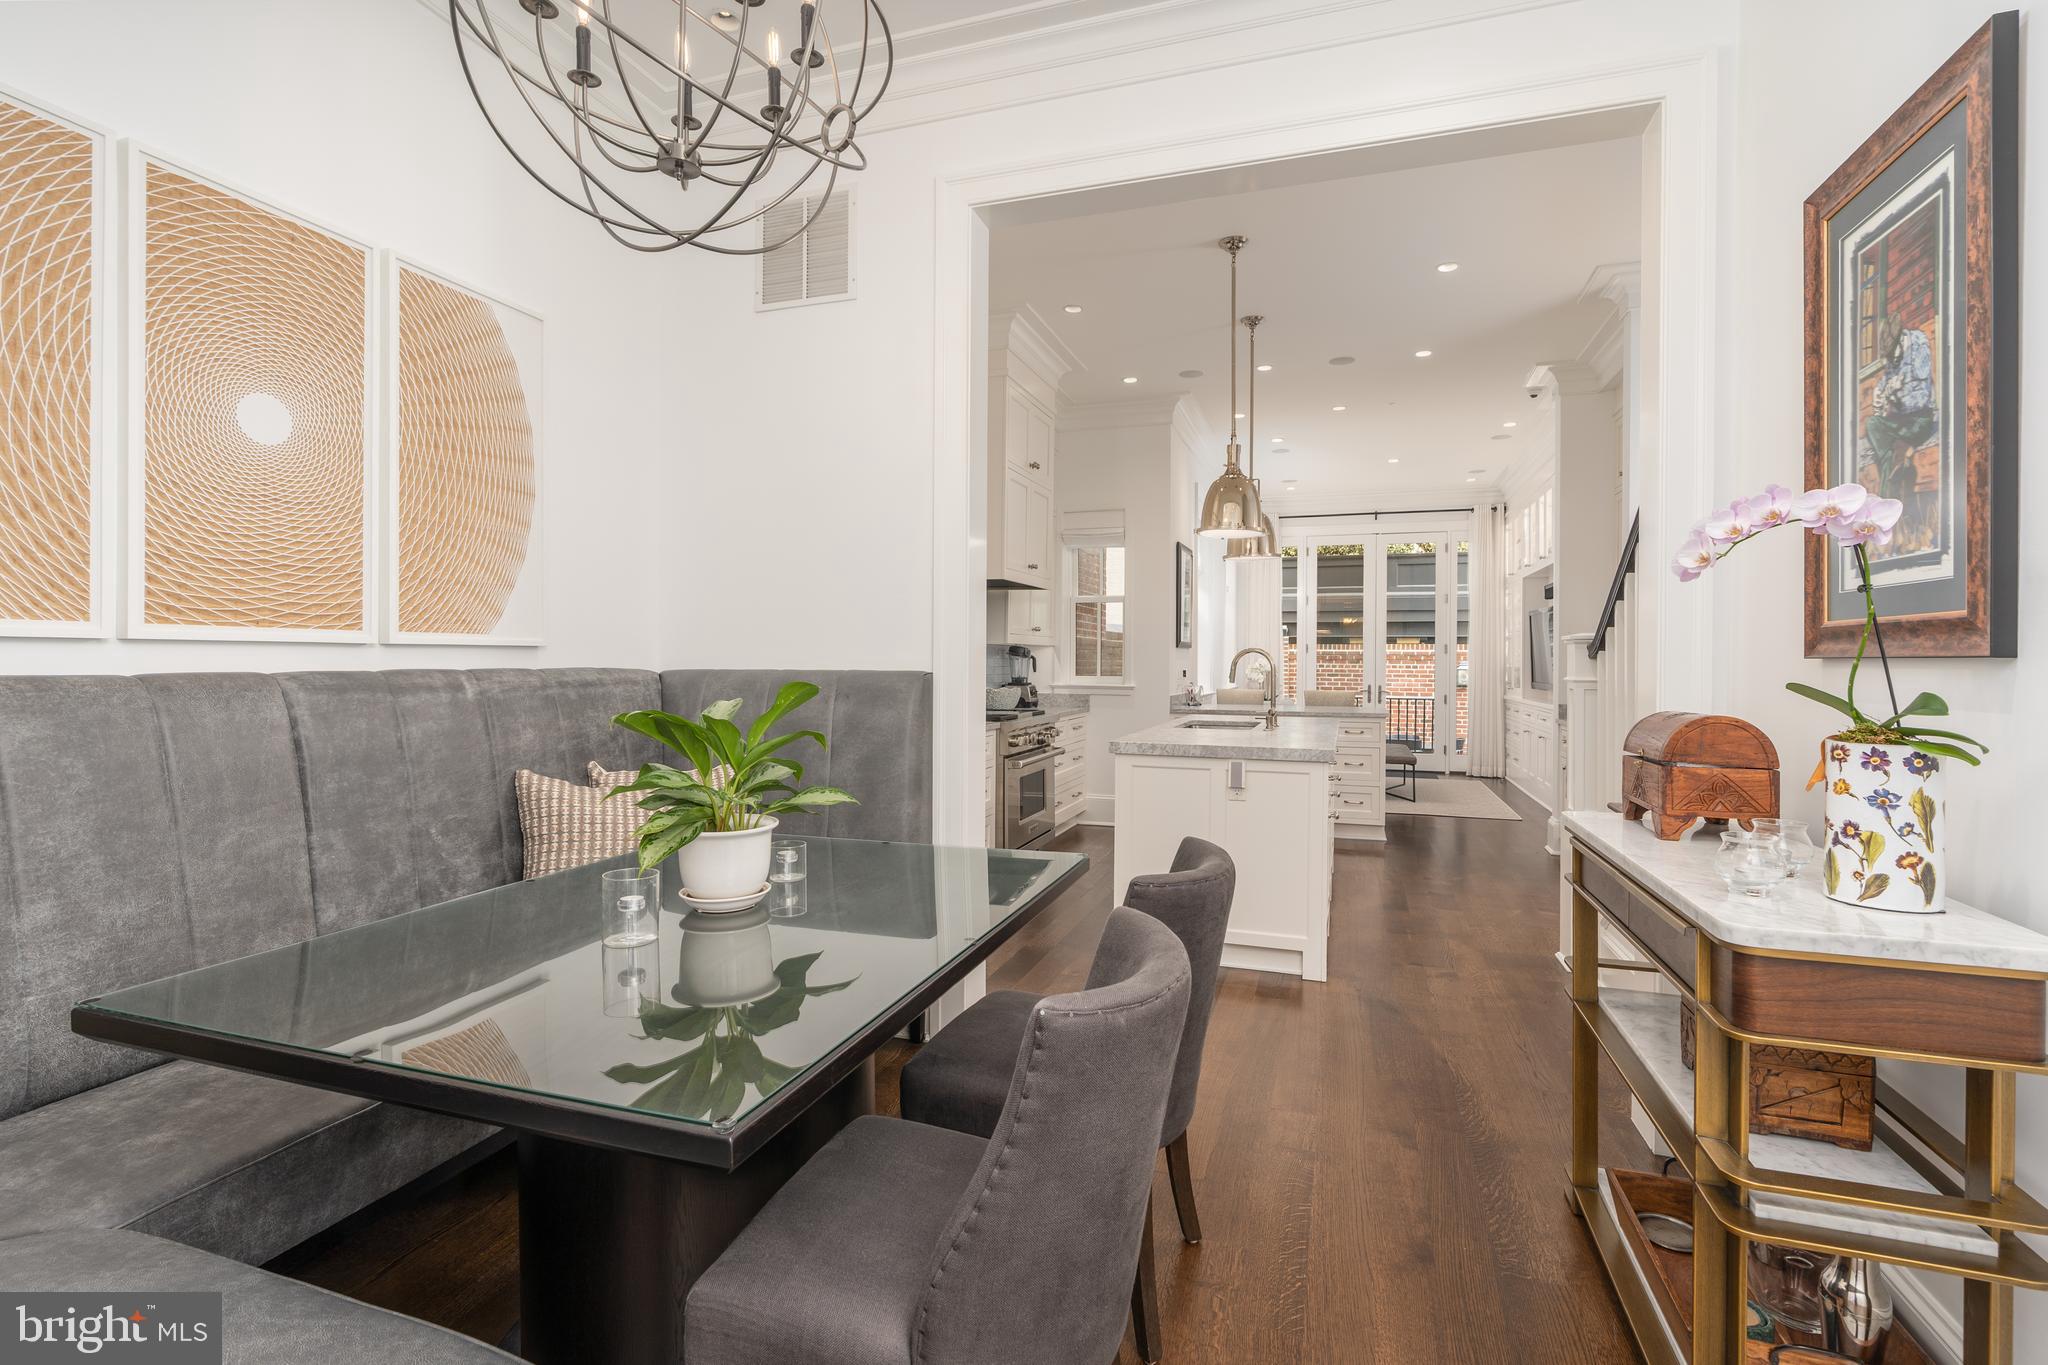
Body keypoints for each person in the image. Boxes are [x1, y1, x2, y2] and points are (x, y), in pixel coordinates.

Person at [1861, 312, 1936, 499]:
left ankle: (1888, 500)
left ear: (1900, 341)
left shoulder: (1919, 346)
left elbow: (1922, 399)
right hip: (1900, 422)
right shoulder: (1893, 356)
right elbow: (1885, 384)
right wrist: (1882, 395)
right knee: (1872, 424)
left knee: (1889, 452)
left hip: (1919, 419)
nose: (1890, 361)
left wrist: (1896, 396)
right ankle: (1894, 468)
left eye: (1891, 354)